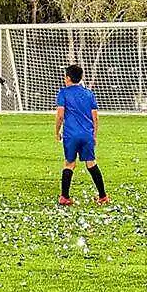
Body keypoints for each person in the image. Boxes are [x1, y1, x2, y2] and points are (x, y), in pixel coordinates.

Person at [55, 64, 109, 206]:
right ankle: (103, 196)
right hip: (86, 135)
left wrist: (57, 132)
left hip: (70, 135)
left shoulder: (63, 93)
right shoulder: (89, 93)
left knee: (69, 164)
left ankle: (64, 197)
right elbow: (95, 117)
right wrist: (94, 135)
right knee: (91, 163)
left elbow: (60, 115)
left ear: (67, 78)